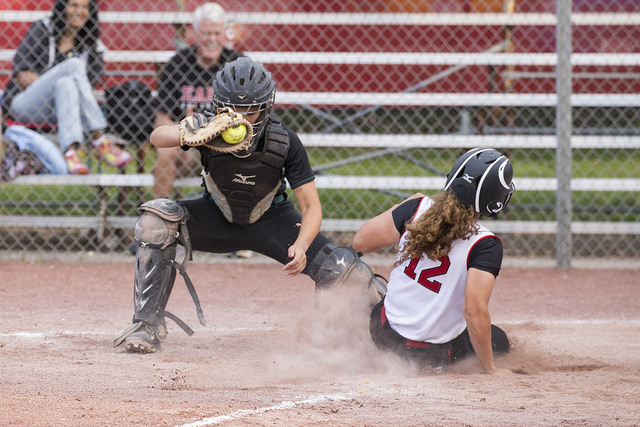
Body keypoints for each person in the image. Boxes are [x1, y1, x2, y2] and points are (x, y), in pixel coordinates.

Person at [114, 57, 385, 353]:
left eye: (251, 111)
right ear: (219, 106)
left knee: (345, 268)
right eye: (233, 110)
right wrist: (190, 133)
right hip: (218, 216)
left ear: (267, 107)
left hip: (272, 222)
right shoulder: (208, 129)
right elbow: (157, 137)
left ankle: (388, 337)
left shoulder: (284, 141)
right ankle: (146, 326)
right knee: (156, 222)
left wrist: (303, 245)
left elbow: (311, 208)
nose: (242, 118)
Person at [352, 147, 515, 375]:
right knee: (498, 340)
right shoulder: (486, 244)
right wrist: (490, 368)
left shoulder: (417, 208)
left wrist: (403, 207)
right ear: (495, 199)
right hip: (430, 356)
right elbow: (474, 310)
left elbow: (360, 242)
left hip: (382, 331)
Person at [2, 0, 132, 174]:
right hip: (26, 105)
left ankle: (71, 153)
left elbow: (85, 89)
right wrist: (48, 84)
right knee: (73, 65)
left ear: (90, 11)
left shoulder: (93, 47)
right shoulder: (42, 29)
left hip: (64, 110)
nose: (78, 11)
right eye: (73, 5)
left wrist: (48, 82)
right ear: (63, 7)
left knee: (67, 84)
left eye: (84, 7)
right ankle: (99, 138)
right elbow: (22, 73)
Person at [152, 2, 242, 199]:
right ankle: (159, 219)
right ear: (195, 34)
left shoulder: (237, 65)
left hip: (225, 144)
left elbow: (251, 114)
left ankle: (236, 222)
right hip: (189, 149)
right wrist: (185, 131)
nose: (212, 39)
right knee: (166, 153)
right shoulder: (177, 64)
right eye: (207, 33)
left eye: (217, 33)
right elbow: (161, 119)